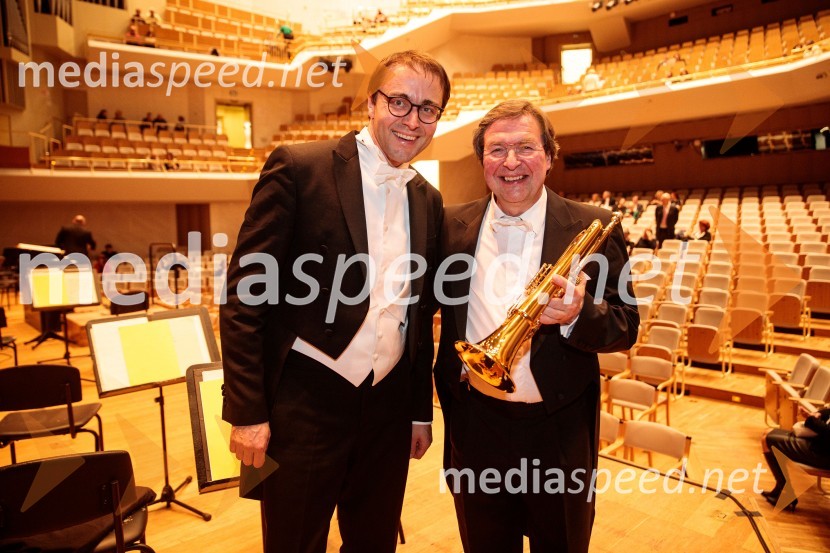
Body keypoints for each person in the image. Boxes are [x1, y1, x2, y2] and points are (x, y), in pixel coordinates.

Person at [221, 50, 450, 552]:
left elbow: (417, 317)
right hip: (303, 404)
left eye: (428, 108)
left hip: (388, 410)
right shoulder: (300, 167)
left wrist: (418, 413)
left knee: (373, 543)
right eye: (399, 102)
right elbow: (244, 295)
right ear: (371, 103)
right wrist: (247, 411)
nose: (413, 120)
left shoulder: (428, 200)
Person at [433, 100, 639, 553]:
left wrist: (576, 317)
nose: (510, 162)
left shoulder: (595, 225)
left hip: (559, 431)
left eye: (525, 147)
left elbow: (626, 326)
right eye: (496, 150)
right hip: (476, 426)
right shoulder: (449, 226)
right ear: (481, 161)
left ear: (549, 155)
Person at [761, 406, 830, 510]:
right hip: (819, 445)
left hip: (823, 455)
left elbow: (828, 433)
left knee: (767, 439)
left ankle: (786, 492)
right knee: (767, 432)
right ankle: (780, 489)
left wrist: (811, 419)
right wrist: (818, 413)